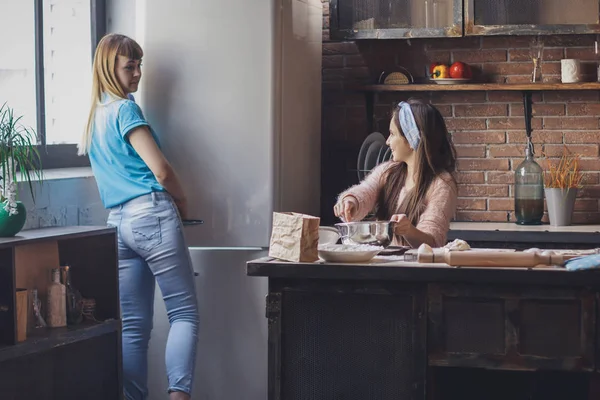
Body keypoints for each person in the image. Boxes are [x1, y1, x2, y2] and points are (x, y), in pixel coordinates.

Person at [78, 33, 199, 400]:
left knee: (133, 328)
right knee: (184, 314)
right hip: (152, 215)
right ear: (109, 69)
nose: (138, 73)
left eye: (139, 64)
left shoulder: (94, 118)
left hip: (118, 224)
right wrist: (182, 201)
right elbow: (160, 170)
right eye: (129, 66)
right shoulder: (125, 109)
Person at [334, 99, 458, 248]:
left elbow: (433, 242)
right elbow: (365, 191)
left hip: (416, 269)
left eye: (392, 134)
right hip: (383, 264)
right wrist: (351, 201)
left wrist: (409, 230)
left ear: (411, 139)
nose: (387, 141)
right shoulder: (388, 171)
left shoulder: (442, 184)